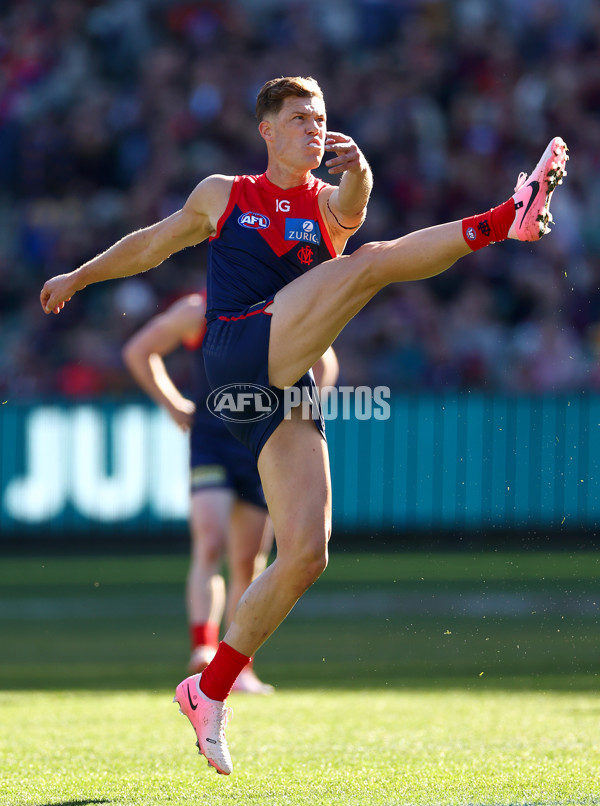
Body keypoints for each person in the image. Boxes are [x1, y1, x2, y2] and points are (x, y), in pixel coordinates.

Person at [40, 76, 568, 775]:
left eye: (320, 118)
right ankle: (507, 218)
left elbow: (355, 205)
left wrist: (363, 174)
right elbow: (153, 246)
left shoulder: (328, 203)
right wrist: (80, 274)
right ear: (266, 130)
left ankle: (210, 688)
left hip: (280, 387)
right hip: (232, 356)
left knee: (307, 553)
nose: (314, 129)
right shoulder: (225, 193)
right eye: (298, 118)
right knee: (369, 267)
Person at [122, 292, 339, 695]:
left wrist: (299, 414)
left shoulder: (283, 308)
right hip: (213, 443)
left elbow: (325, 362)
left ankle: (238, 666)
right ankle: (202, 646)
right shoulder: (198, 310)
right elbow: (140, 350)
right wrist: (172, 404)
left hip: (263, 448)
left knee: (247, 560)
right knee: (209, 543)